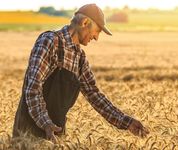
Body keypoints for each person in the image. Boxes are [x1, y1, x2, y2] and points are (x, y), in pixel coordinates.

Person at [12, 3, 149, 143]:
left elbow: (94, 94)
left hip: (55, 136)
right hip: (28, 135)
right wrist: (45, 123)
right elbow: (33, 88)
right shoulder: (49, 41)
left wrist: (127, 122)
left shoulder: (80, 58)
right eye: (98, 31)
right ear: (85, 22)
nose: (96, 38)